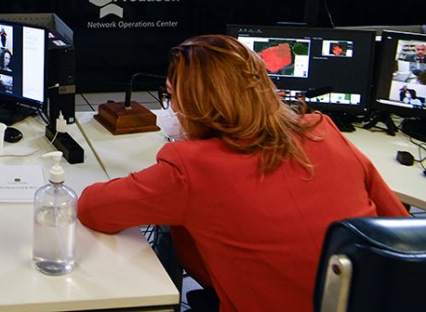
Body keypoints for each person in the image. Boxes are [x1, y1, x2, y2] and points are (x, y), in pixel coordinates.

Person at [77, 35, 409, 312]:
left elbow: (93, 208)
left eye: (171, 96)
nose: (170, 107)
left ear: (192, 105)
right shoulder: (323, 130)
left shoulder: (192, 167)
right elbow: (398, 227)